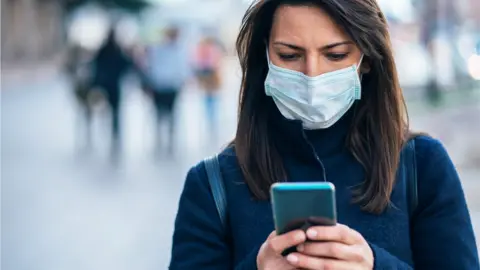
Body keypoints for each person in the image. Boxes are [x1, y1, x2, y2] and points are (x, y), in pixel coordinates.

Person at [170, 0, 479, 269]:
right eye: (290, 55)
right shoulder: (213, 185)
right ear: (265, 57)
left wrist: (375, 265)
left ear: (367, 59)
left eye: (335, 55)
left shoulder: (422, 166)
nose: (312, 75)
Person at [143, 27, 189, 155]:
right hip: (161, 85)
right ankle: (162, 138)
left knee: (169, 114)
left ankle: (168, 139)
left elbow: (182, 68)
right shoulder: (159, 49)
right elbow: (151, 66)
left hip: (170, 85)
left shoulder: (178, 50)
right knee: (161, 113)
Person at [91, 28, 132, 159]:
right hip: (112, 85)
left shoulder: (104, 50)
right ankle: (114, 133)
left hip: (106, 85)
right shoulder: (115, 50)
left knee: (108, 111)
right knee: (114, 112)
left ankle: (112, 133)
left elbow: (96, 66)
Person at [194, 36, 224, 139]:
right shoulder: (212, 49)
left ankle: (211, 118)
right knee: (210, 99)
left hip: (208, 75)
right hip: (209, 75)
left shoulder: (207, 49)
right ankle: (211, 118)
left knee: (210, 99)